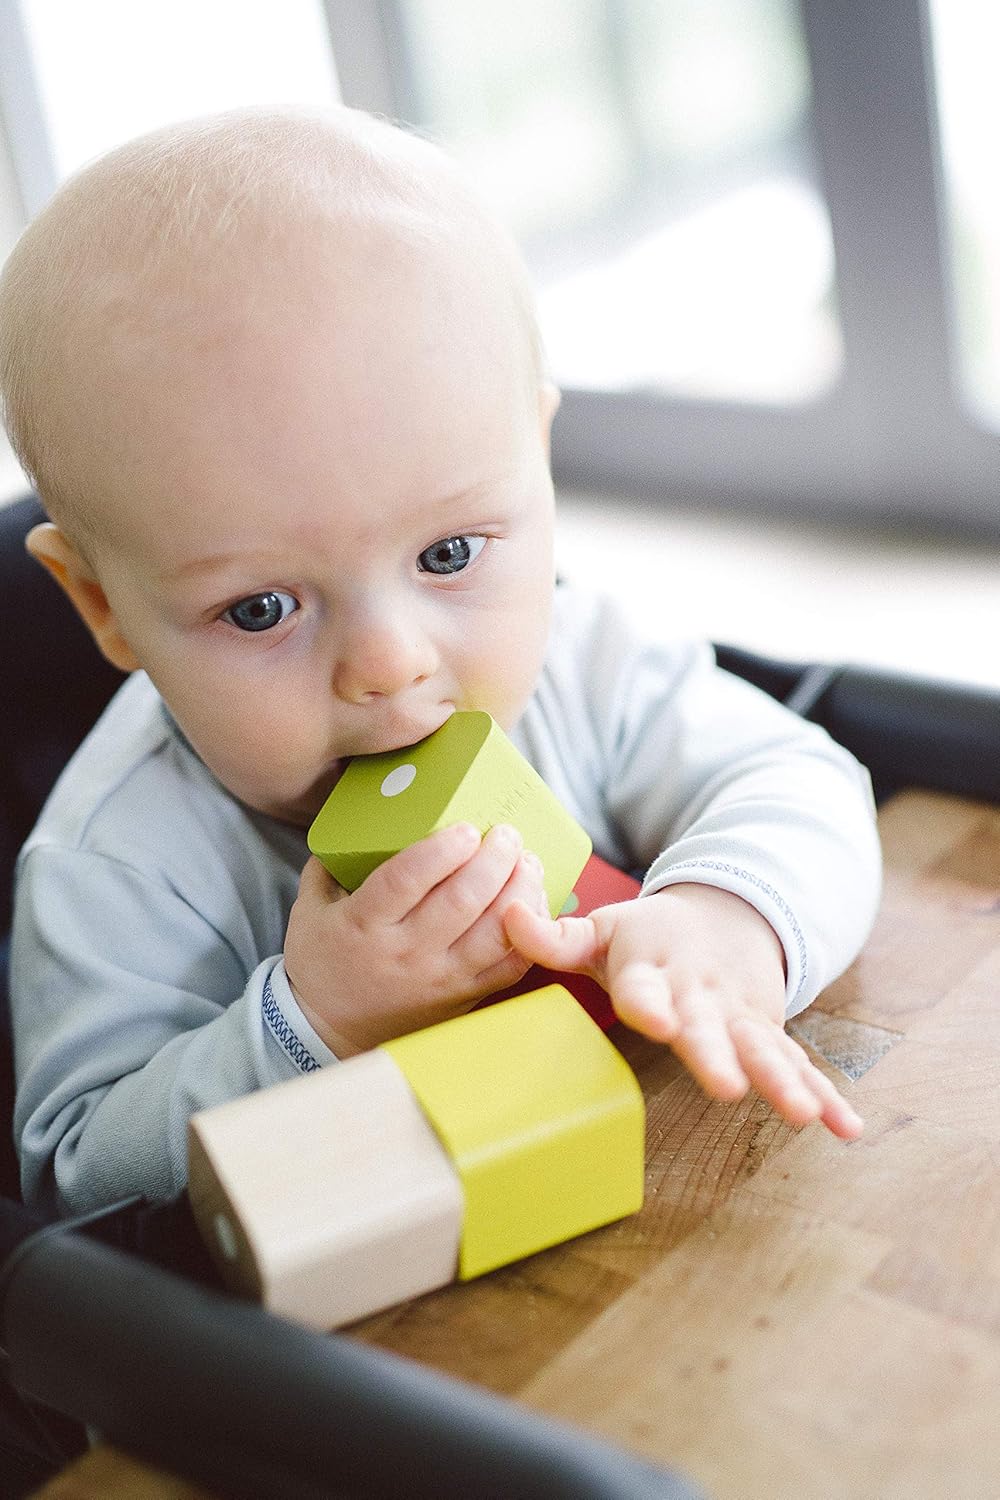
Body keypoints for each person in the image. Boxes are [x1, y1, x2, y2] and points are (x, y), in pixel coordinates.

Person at [0, 105, 881, 1217]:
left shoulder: (583, 660)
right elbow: (77, 1192)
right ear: (102, 605)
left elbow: (804, 779)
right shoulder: (118, 866)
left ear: (537, 467)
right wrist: (318, 1022)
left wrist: (727, 918)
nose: (388, 663)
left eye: (449, 553)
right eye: (262, 609)